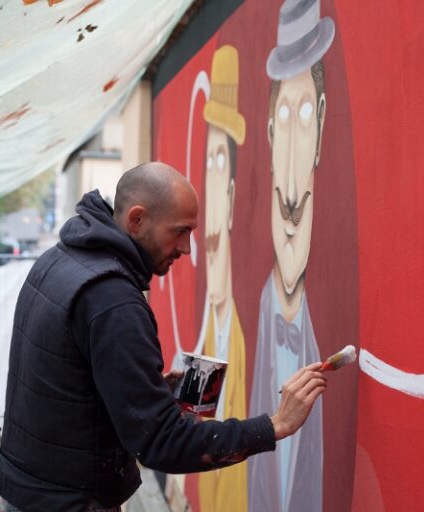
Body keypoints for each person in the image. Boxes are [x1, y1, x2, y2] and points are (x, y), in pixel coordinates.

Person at [0, 162, 326, 512]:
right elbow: (160, 443)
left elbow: (64, 379)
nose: (187, 248)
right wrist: (275, 425)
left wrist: (142, 391)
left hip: (30, 486)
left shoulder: (59, 259)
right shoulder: (113, 302)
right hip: (67, 501)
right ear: (137, 220)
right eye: (180, 231)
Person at [248, 1, 334, 511]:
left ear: (322, 126)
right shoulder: (260, 313)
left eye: (306, 114)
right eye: (285, 115)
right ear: (269, 131)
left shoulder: (328, 320)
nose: (294, 149)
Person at [192, 44, 251, 512]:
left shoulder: (247, 338)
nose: (208, 195)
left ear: (230, 194)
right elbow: (179, 436)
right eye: (204, 168)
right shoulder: (206, 337)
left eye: (218, 166)